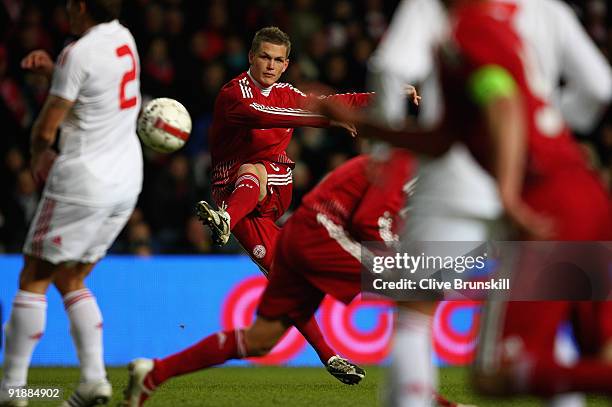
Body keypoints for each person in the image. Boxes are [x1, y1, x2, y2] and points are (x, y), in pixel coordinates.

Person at [320, 0, 612, 401]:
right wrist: (365, 123)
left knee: (422, 315)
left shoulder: (465, 29)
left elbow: (502, 106)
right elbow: (446, 136)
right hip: (575, 186)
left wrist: (507, 194)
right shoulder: (538, 12)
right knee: (578, 344)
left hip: (509, 191)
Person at [195, 26, 418, 383]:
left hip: (273, 184)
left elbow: (338, 100)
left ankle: (223, 220)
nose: (270, 65)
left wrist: (382, 96)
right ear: (251, 57)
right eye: (264, 57)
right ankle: (330, 357)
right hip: (231, 194)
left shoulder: (286, 92)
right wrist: (330, 120)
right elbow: (266, 117)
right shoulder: (233, 95)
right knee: (284, 279)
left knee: (256, 168)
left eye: (277, 60)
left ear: (286, 64)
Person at [121, 150, 415, 407]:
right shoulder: (410, 165)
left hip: (304, 234)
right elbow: (369, 222)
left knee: (259, 340)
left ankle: (154, 373)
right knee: (420, 286)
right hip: (323, 237)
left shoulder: (421, 167)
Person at [0, 1, 142, 406]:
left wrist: (38, 155)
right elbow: (97, 95)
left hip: (83, 180)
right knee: (72, 278)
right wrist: (57, 74)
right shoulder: (124, 39)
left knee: (33, 277)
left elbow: (46, 129)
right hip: (126, 182)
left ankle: (12, 389)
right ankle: (93, 381)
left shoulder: (77, 52)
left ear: (80, 6)